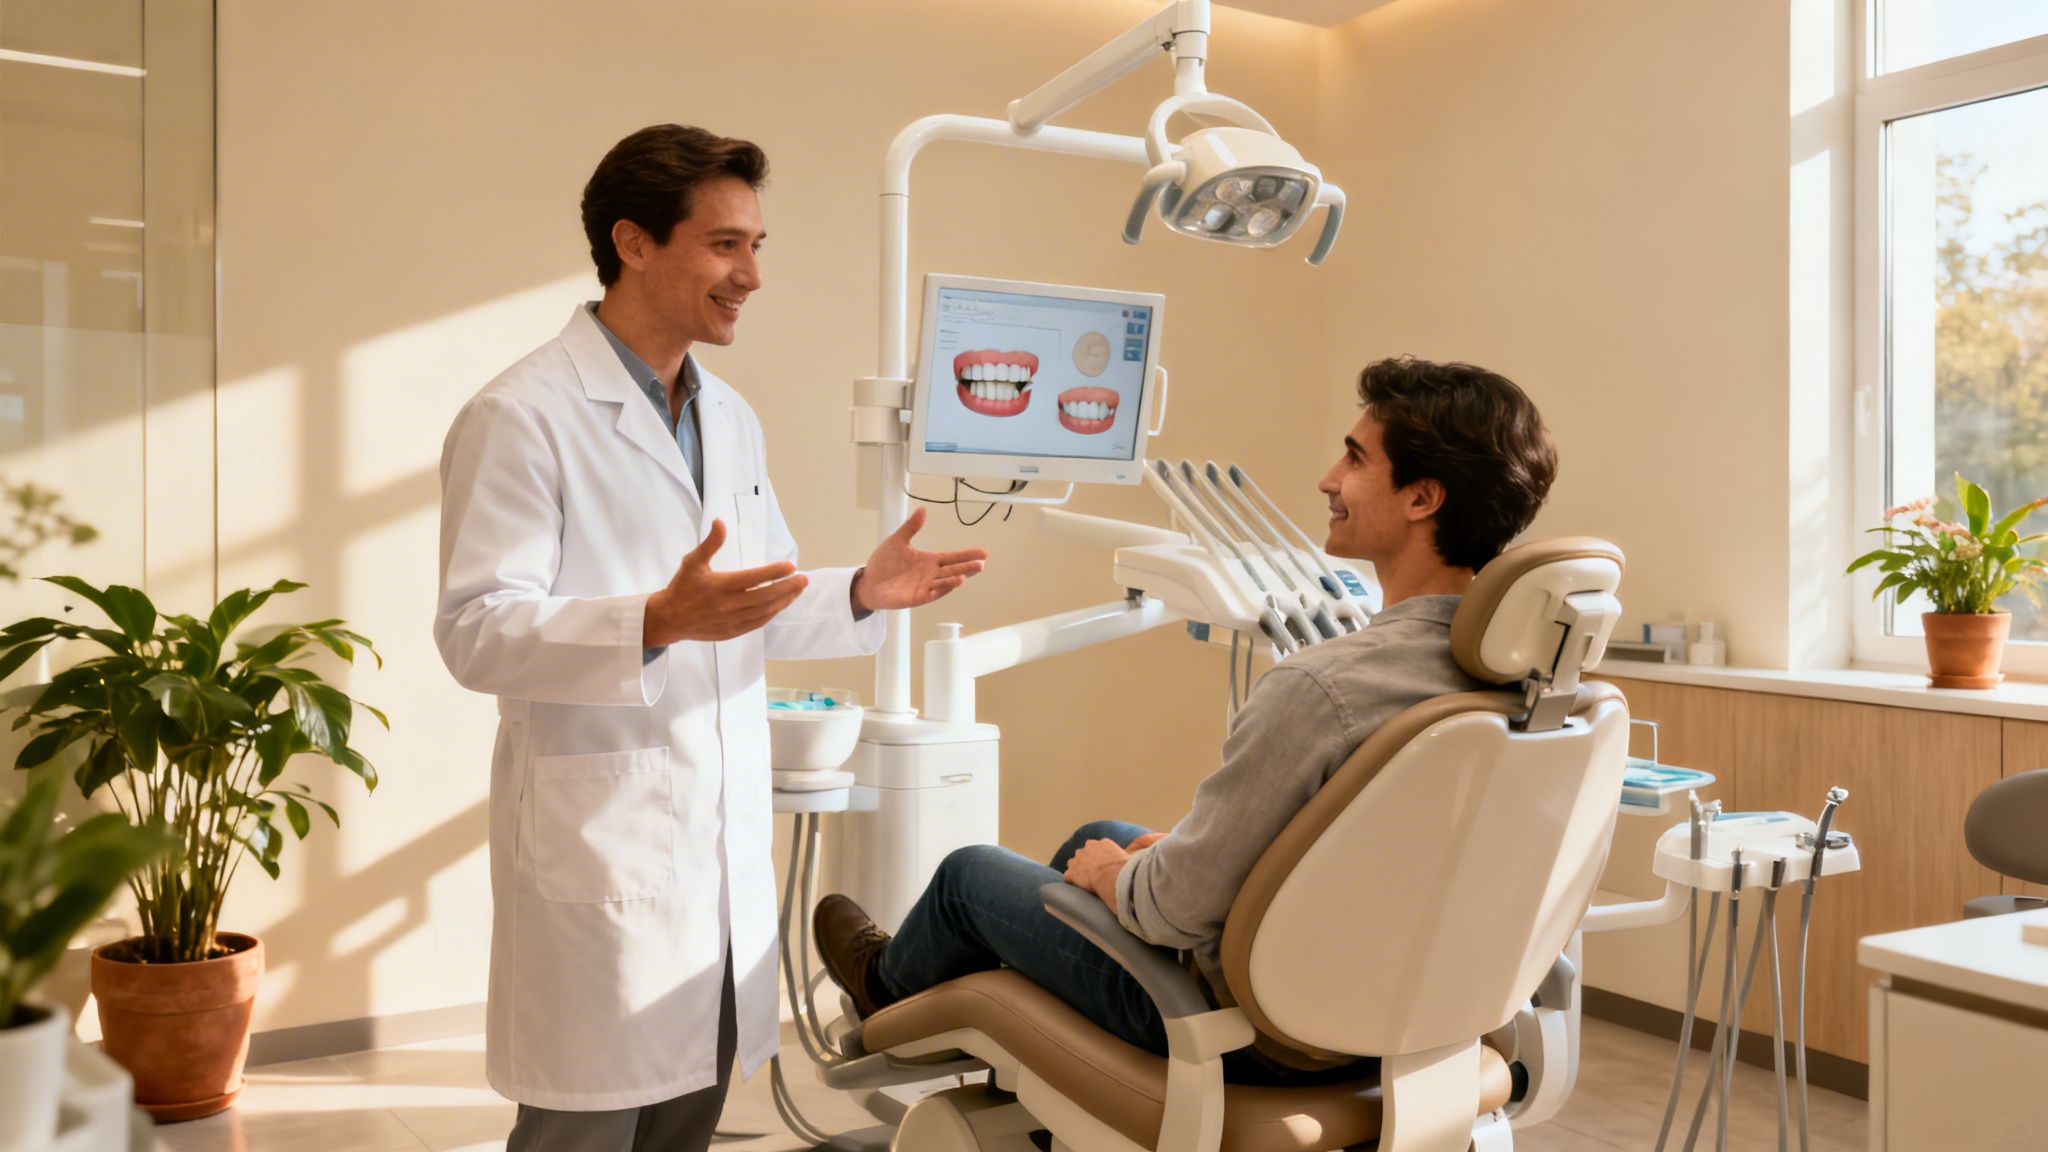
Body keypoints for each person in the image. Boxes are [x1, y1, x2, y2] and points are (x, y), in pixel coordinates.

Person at [435, 123, 987, 1151]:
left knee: (685, 1113)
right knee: (583, 1126)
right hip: (601, 842)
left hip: (713, 847)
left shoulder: (727, 416)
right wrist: (650, 622)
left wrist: (861, 591)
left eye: (757, 245)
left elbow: (754, 597)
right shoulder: (521, 415)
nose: (752, 275)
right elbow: (474, 634)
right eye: (727, 245)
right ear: (634, 242)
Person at [813, 355, 1556, 1082]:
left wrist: (1129, 878)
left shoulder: (1323, 688)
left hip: (1262, 1029)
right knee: (1096, 838)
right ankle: (1016, 1036)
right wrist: (1138, 861)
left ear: (1423, 498)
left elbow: (1171, 913)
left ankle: (887, 991)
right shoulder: (1531, 686)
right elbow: (1374, 845)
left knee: (967, 875)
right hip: (1409, 1006)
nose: (1329, 479)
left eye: (1356, 459)